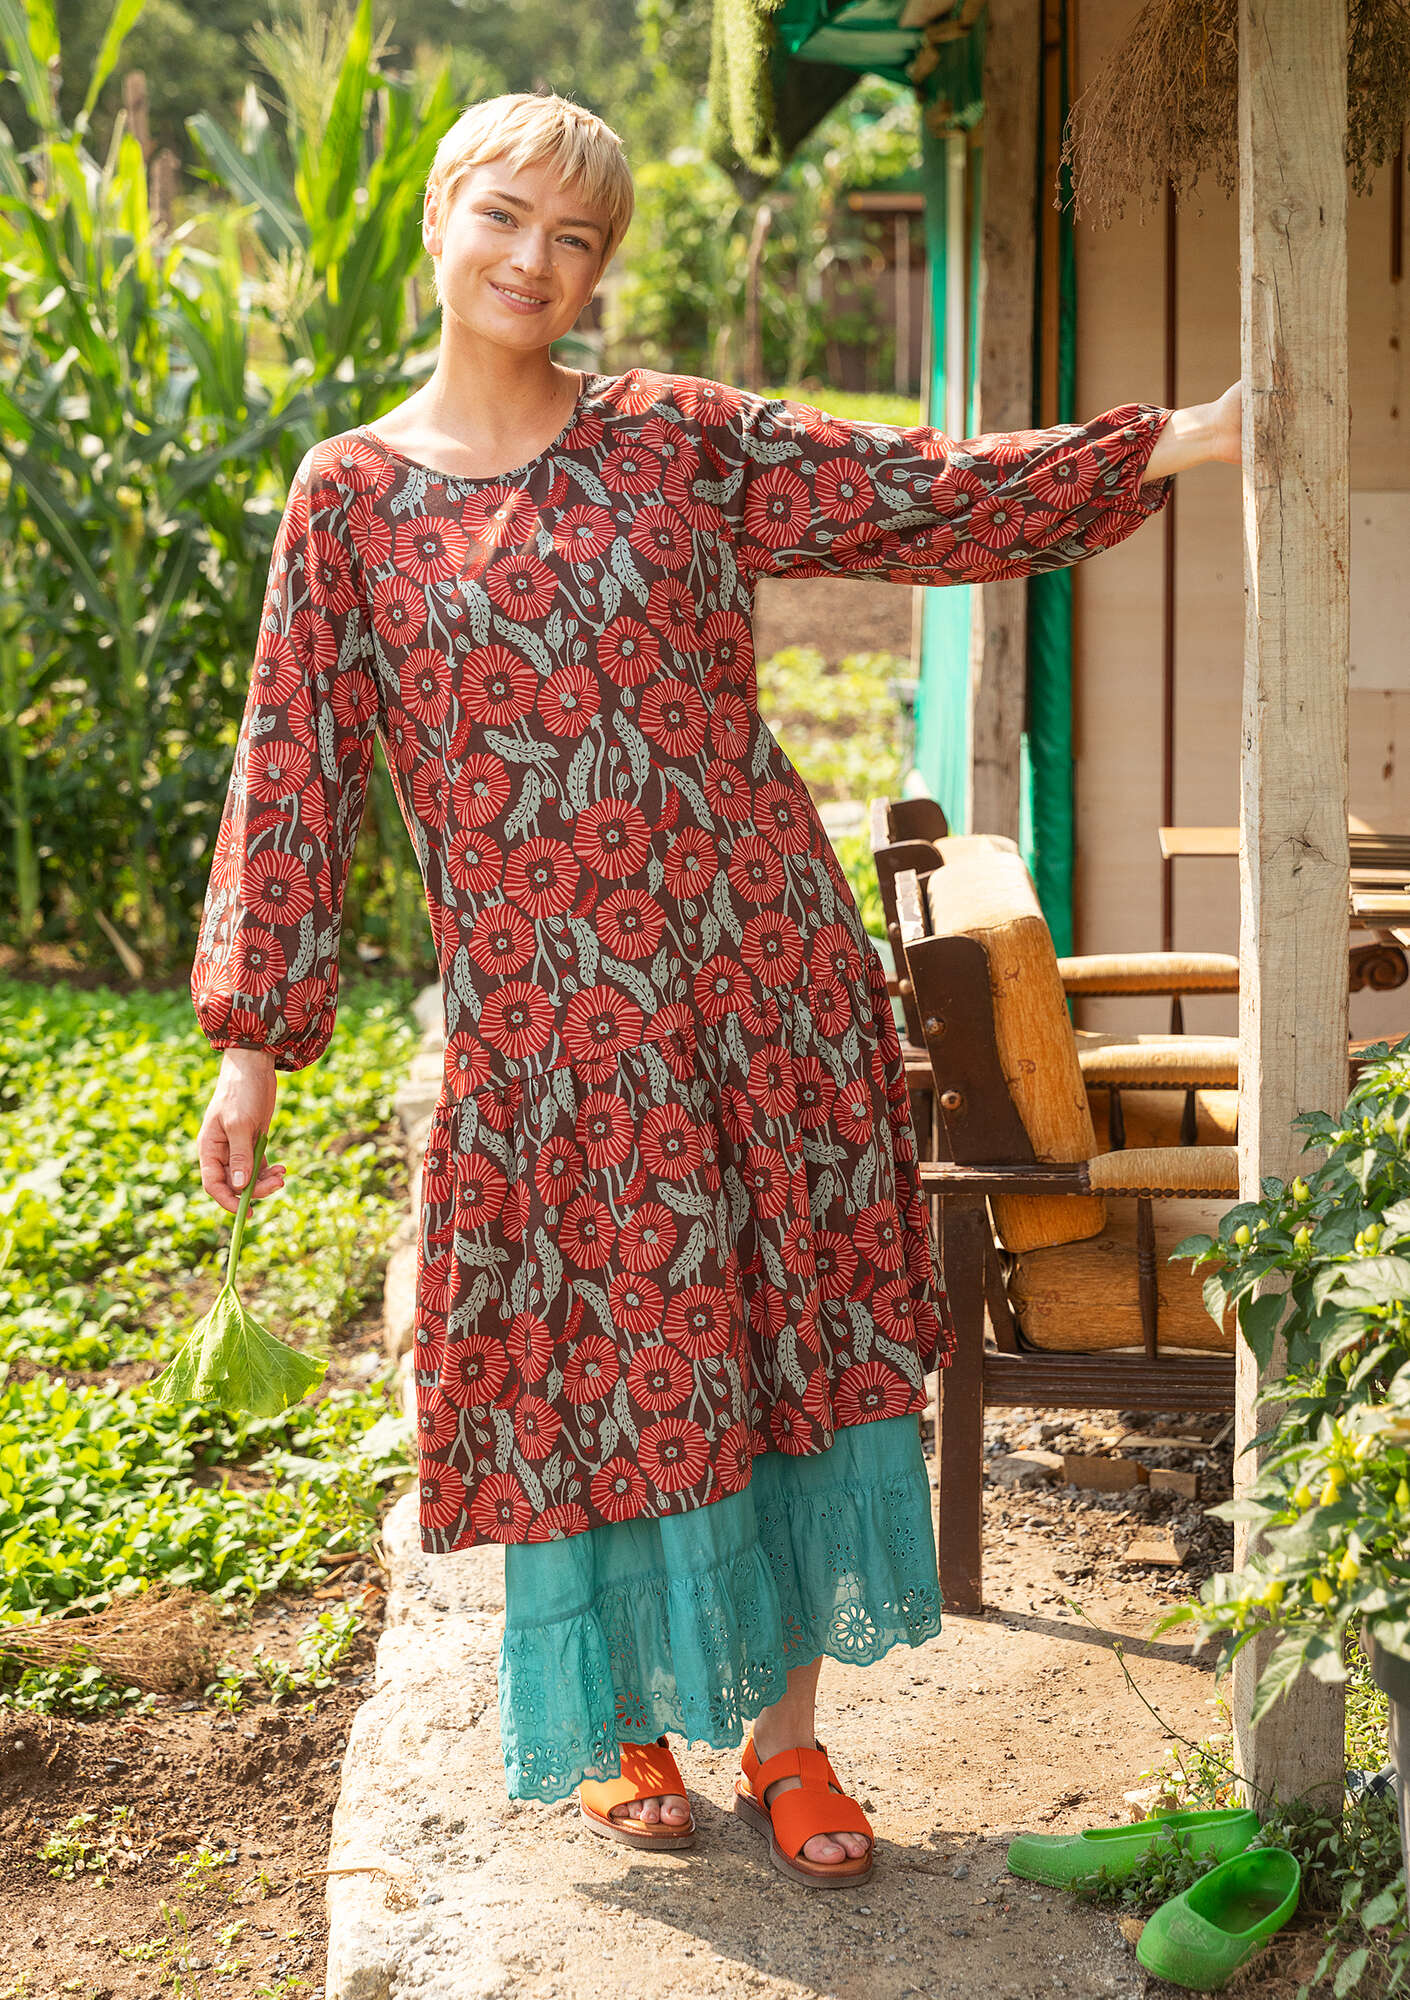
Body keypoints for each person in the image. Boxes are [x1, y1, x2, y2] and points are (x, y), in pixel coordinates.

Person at [191, 91, 1241, 1888]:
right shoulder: (347, 495)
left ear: (601, 265)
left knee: (786, 1344)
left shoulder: (674, 436)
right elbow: (293, 764)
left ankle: (789, 1742)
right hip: (548, 1029)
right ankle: (623, 1723)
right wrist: (252, 1048)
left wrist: (1183, 442)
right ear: (441, 218)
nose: (535, 260)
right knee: (593, 1355)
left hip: (762, 984)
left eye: (575, 237)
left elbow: (918, 493)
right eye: (505, 216)